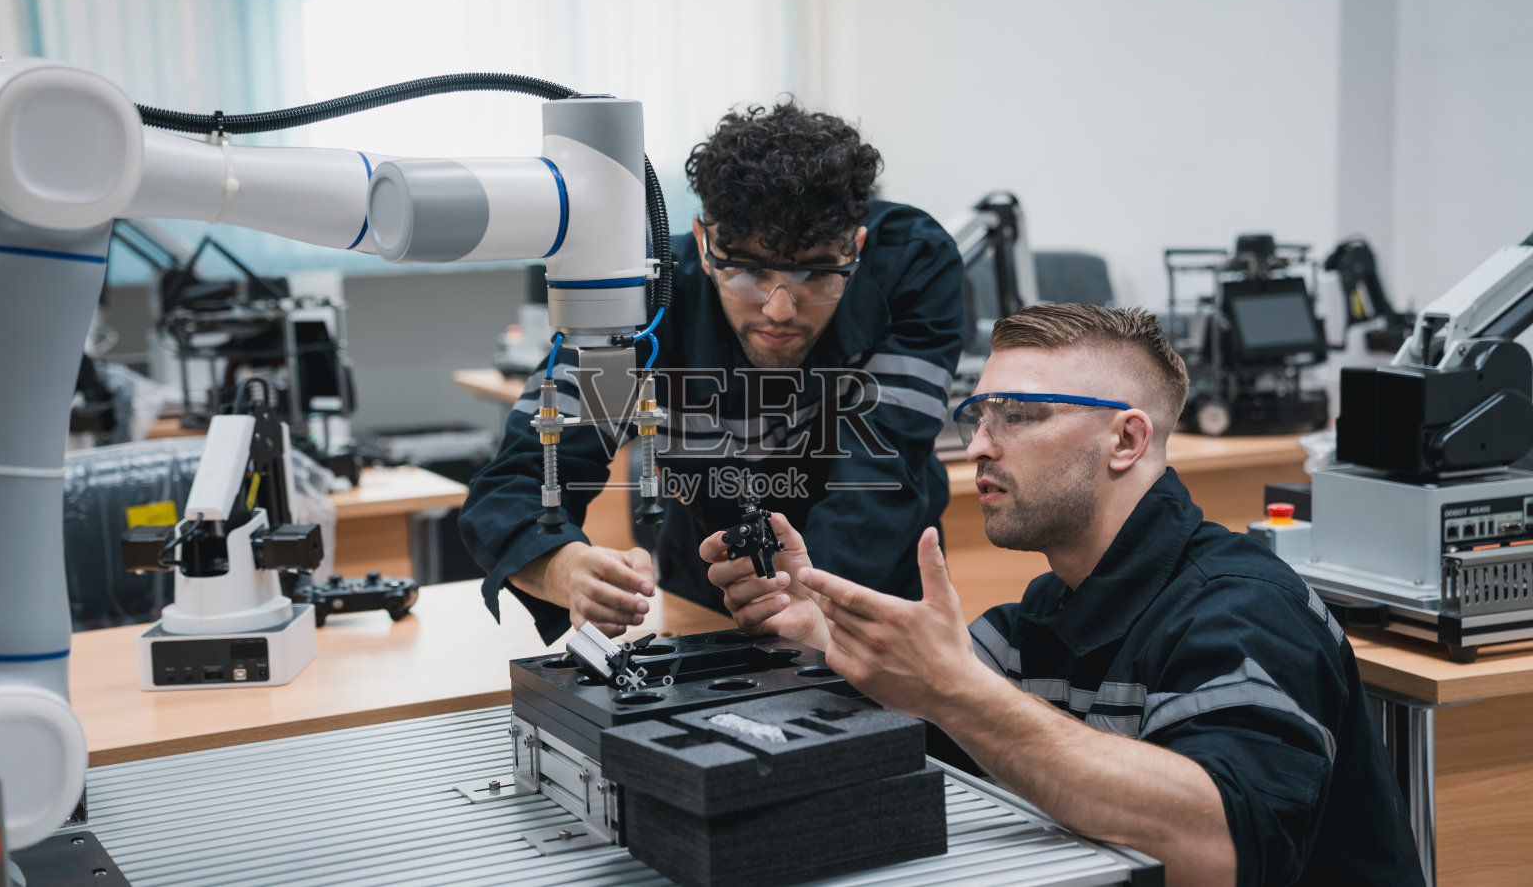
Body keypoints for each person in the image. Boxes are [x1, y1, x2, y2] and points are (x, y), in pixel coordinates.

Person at [709, 303, 1424, 887]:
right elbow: (935, 717)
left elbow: (1220, 849)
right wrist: (817, 633)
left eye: (1018, 416)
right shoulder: (1040, 617)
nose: (979, 446)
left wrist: (958, 691)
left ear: (1126, 441)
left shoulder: (1244, 611)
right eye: (977, 417)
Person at [462, 100, 964, 644]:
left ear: (856, 248)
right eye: (747, 270)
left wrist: (807, 602)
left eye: (816, 273)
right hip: (708, 595)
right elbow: (516, 483)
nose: (778, 309)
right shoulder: (647, 305)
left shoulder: (908, 268)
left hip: (868, 593)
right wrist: (566, 568)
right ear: (703, 243)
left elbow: (879, 473)